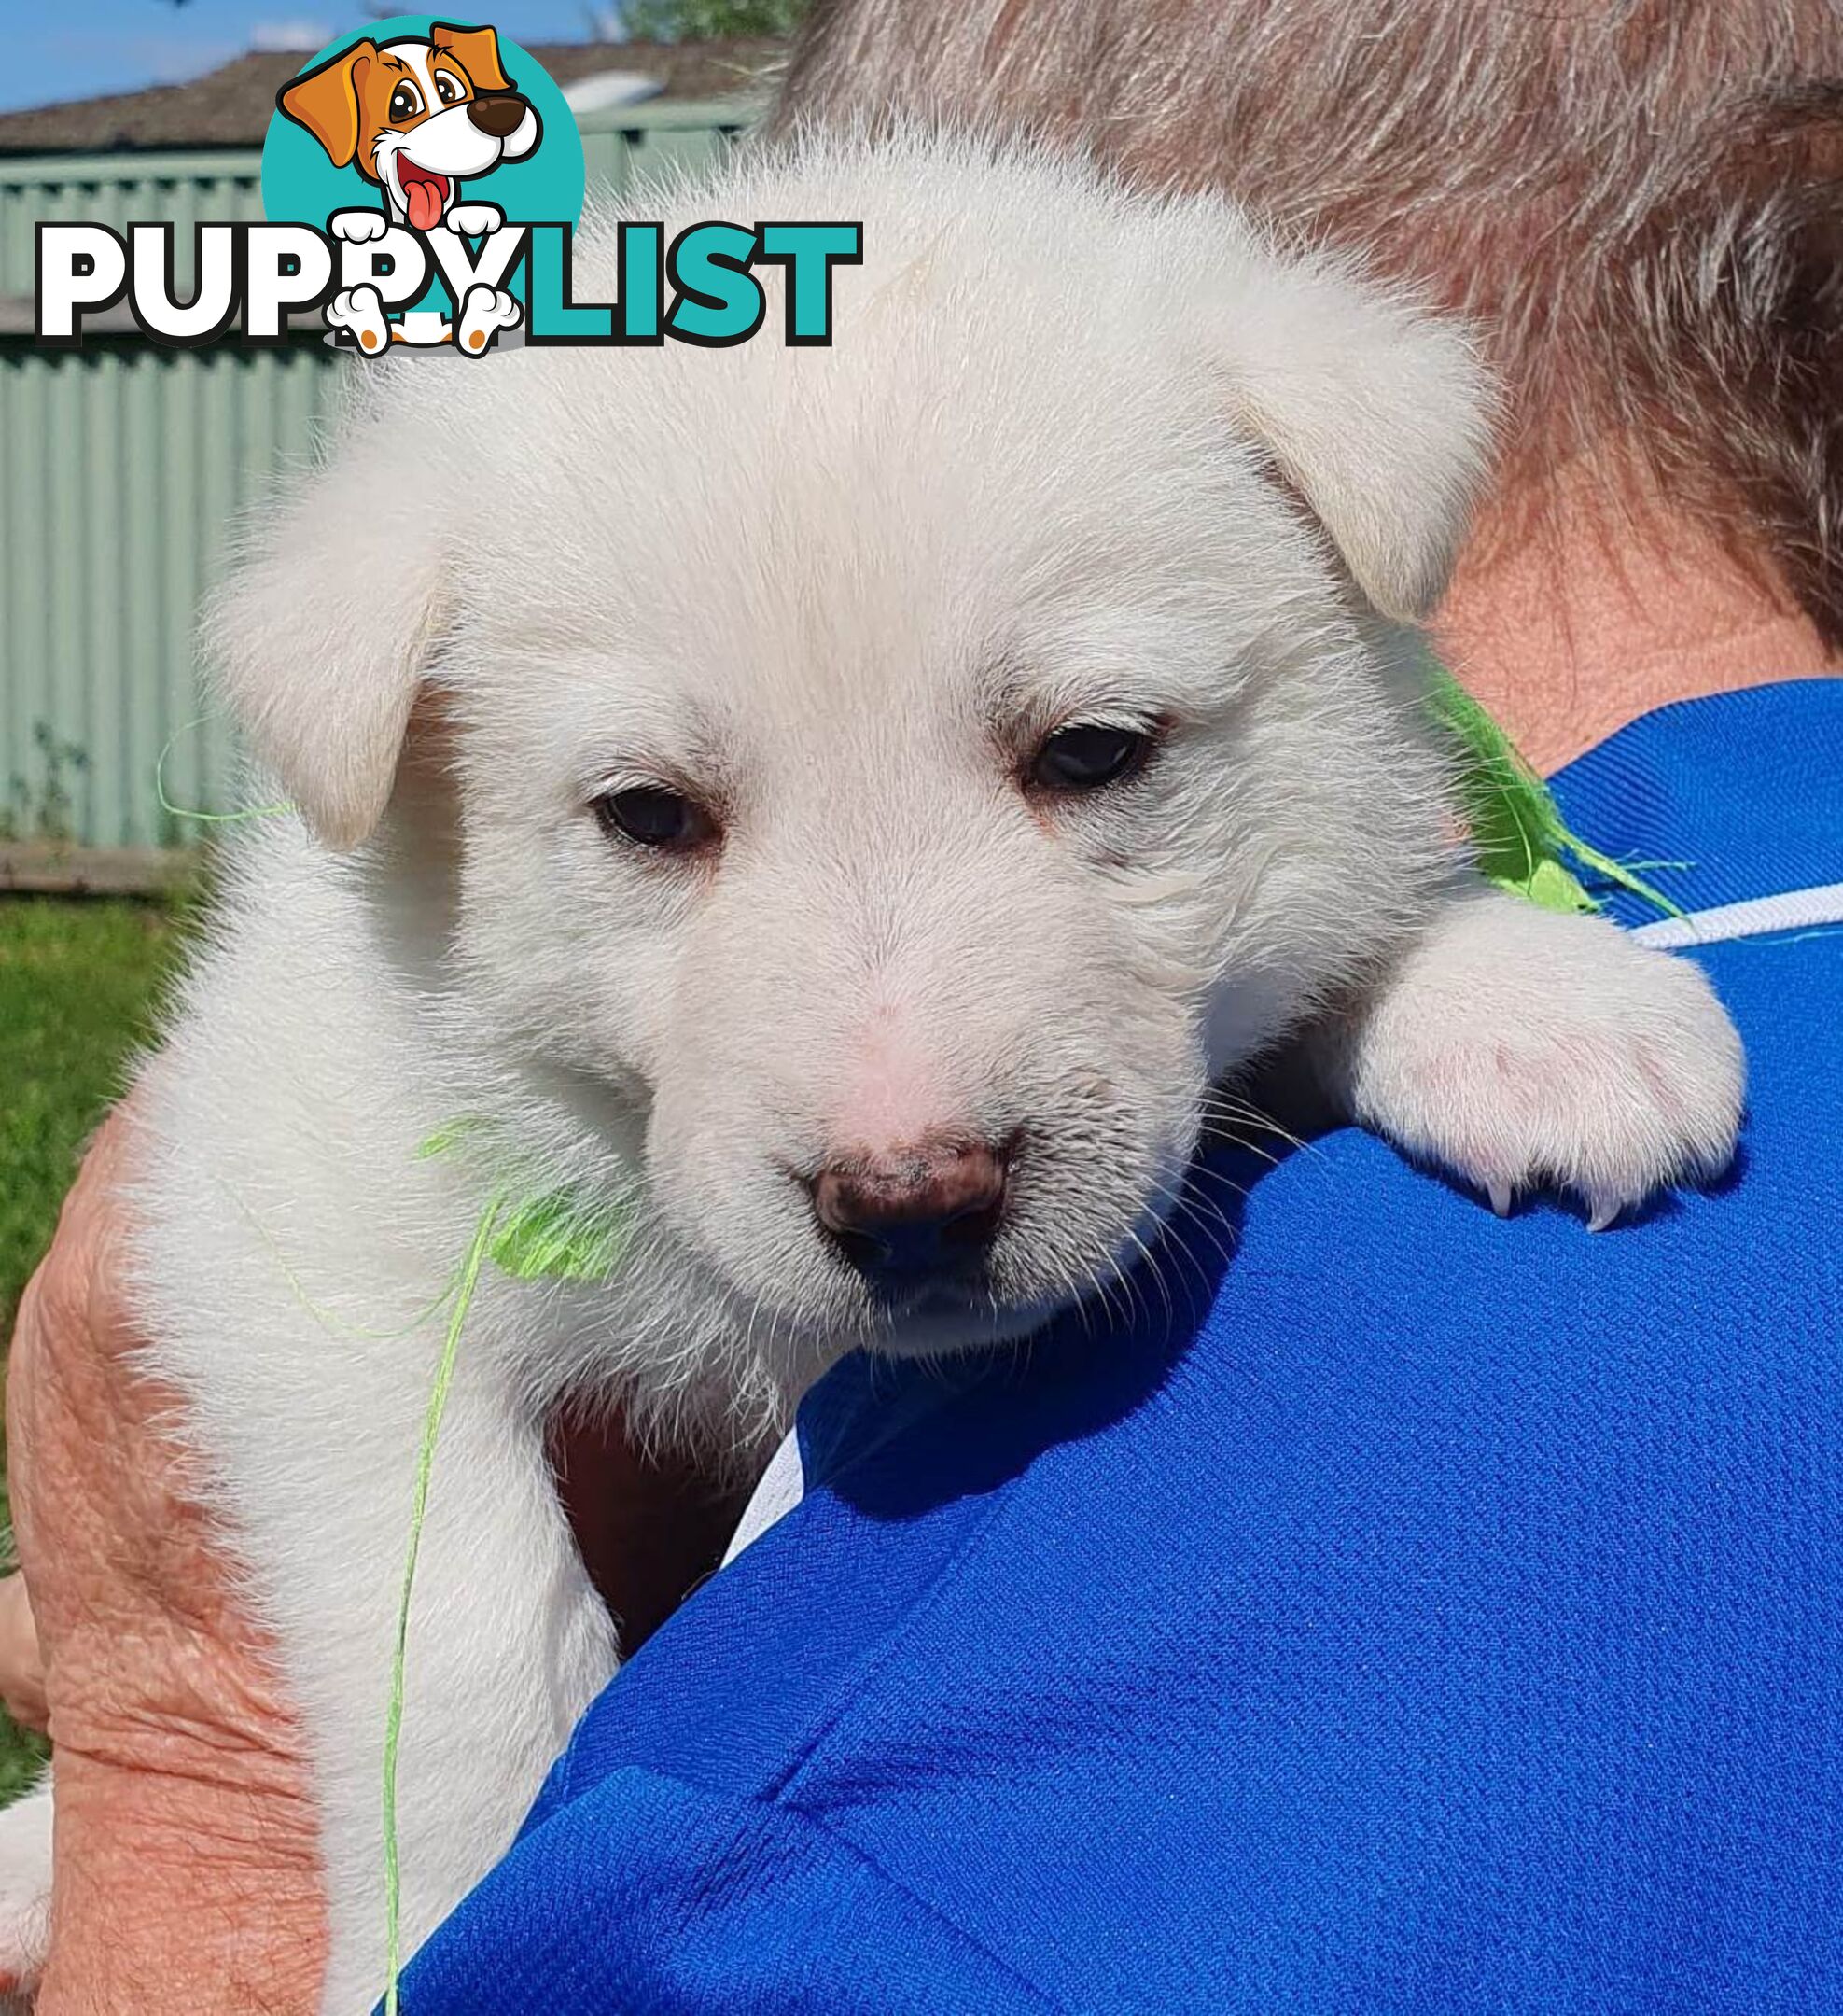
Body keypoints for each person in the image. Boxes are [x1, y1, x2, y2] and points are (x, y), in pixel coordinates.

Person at [4, 0, 1839, 2007]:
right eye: (653, 815)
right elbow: (299, 1272)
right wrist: (444, 1784)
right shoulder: (389, 902)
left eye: (1084, 755)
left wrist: (1410, 964)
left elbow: (1332, 842)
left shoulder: (1237, 448)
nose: (905, 1131)